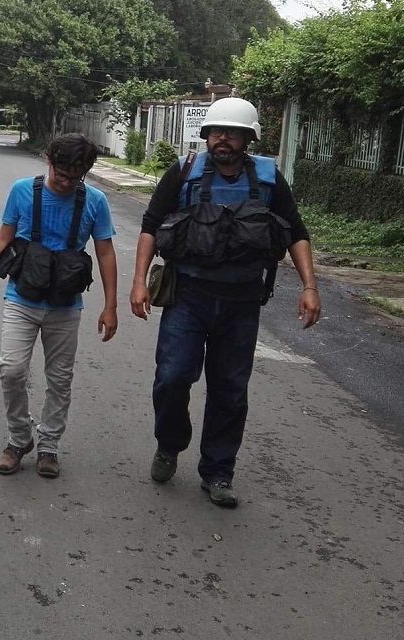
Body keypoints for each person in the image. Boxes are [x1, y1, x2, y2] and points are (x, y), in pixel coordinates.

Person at [129, 97, 321, 508]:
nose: (223, 139)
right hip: (187, 296)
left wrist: (310, 287)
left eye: (232, 133)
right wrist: (139, 281)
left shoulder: (269, 180)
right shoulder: (183, 173)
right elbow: (150, 226)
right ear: (207, 136)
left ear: (247, 138)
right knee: (173, 377)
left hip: (241, 301)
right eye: (217, 132)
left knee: (230, 390)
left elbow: (297, 233)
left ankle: (218, 471)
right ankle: (169, 444)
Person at [0, 133, 118, 479]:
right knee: (11, 370)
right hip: (22, 297)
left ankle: (49, 444)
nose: (65, 183)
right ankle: (19, 437)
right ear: (49, 162)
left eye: (73, 178)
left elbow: (106, 251)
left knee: (60, 379)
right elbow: (3, 239)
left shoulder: (95, 201)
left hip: (66, 305)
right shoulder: (23, 191)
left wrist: (110, 306)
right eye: (59, 175)